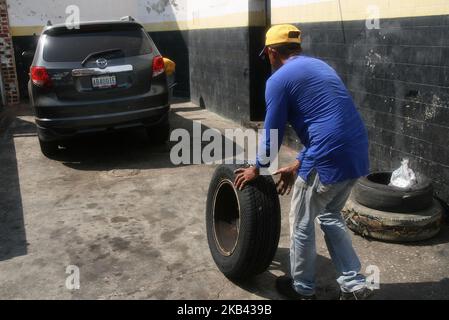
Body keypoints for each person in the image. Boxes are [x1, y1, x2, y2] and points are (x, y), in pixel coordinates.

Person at [234, 24, 373, 300]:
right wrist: (299, 163)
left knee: (300, 221)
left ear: (272, 52)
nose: (268, 60)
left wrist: (256, 167)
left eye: (267, 56)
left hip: (327, 157)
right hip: (356, 151)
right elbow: (328, 121)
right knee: (330, 215)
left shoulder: (278, 80)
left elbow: (272, 135)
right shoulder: (321, 67)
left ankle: (302, 289)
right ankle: (354, 285)